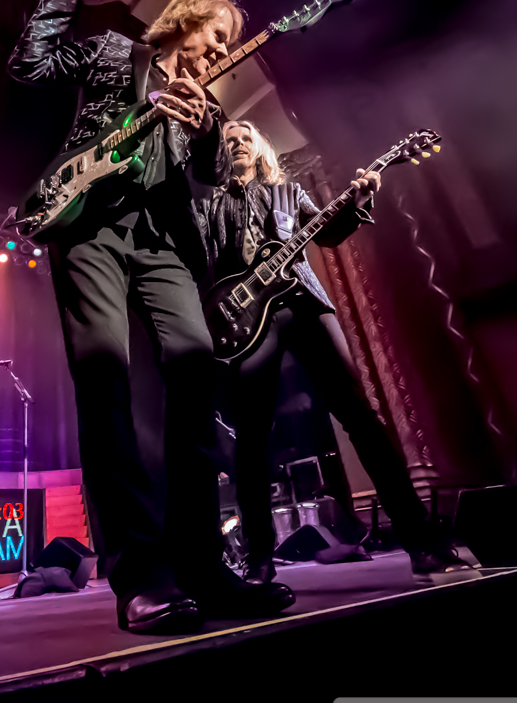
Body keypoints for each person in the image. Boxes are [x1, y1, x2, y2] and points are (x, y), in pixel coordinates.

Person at [8, 0, 294, 634]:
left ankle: (203, 567)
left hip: (163, 241)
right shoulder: (116, 52)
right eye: (217, 35)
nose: (222, 51)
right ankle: (139, 575)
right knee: (105, 384)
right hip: (89, 226)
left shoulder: (207, 106)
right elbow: (30, 65)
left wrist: (207, 132)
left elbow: (214, 183)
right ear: (186, 20)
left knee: (195, 374)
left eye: (228, 44)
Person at [198, 121, 475, 582]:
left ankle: (422, 542)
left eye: (246, 137)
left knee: (361, 417)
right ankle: (259, 560)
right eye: (229, 139)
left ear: (260, 148)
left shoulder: (286, 193)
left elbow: (326, 232)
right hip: (246, 322)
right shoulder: (208, 201)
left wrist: (358, 201)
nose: (238, 143)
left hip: (304, 302)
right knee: (252, 437)